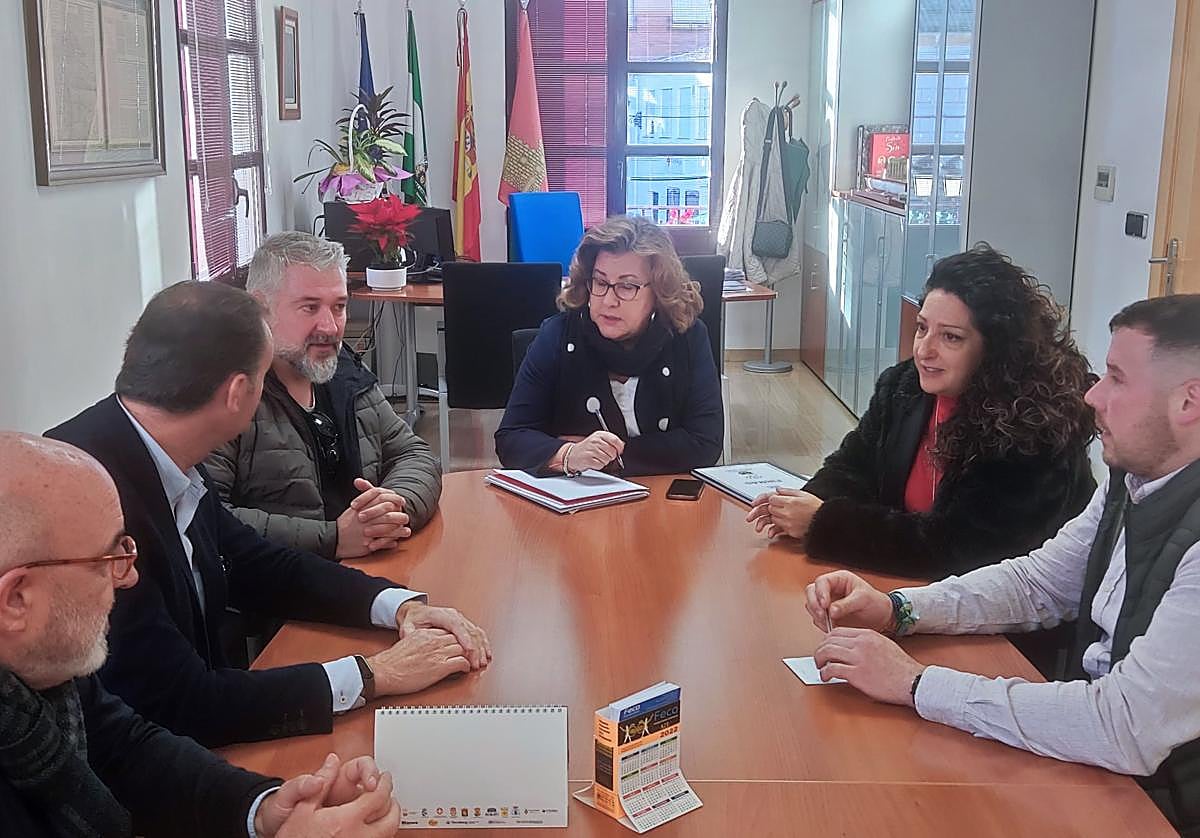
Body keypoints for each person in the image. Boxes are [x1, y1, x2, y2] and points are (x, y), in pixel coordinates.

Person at [805, 294, 1200, 835]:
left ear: (1189, 402)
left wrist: (917, 684)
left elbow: (1124, 724)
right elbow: (1040, 582)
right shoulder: (1129, 480)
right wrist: (897, 610)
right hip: (1104, 767)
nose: (1093, 396)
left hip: (1163, 805)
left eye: (1117, 378)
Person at [46, 281, 491, 749]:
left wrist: (398, 606)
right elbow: (180, 702)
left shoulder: (157, 450)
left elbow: (256, 562)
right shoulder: (89, 500)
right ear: (240, 392)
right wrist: (375, 674)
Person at [0, 432, 401, 838]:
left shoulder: (44, 671)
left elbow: (129, 750)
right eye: (108, 559)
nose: (129, 575)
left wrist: (262, 809)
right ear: (16, 599)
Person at [748, 245, 1096, 578]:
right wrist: (804, 503)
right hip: (913, 591)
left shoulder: (1030, 427)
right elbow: (853, 465)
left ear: (996, 350)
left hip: (1007, 625)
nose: (924, 350)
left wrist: (822, 522)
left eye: (951, 338)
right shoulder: (904, 386)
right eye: (922, 328)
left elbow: (957, 550)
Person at [206, 232, 441, 561]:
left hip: (370, 572)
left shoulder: (342, 368)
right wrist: (332, 539)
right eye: (310, 307)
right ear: (260, 308)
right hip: (280, 596)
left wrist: (394, 505)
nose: (330, 327)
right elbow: (208, 517)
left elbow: (414, 454)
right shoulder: (226, 392)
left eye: (339, 307)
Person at [495, 215, 723, 476]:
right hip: (576, 503)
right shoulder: (557, 334)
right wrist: (570, 455)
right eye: (601, 282)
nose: (608, 301)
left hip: (661, 499)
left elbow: (705, 443)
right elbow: (511, 438)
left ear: (659, 291)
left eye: (627, 286)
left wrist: (607, 456)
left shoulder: (687, 337)